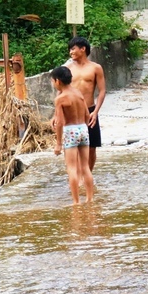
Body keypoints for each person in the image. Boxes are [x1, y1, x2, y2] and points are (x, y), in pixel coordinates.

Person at [51, 65, 95, 204]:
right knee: (85, 167)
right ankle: (90, 198)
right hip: (83, 128)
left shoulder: (61, 98)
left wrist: (58, 144)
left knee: (72, 168)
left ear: (57, 81)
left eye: (53, 81)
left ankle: (76, 202)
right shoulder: (78, 93)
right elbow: (87, 115)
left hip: (70, 130)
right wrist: (83, 127)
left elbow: (59, 122)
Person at [64, 36, 106, 172]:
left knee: (92, 147)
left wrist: (96, 112)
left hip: (90, 111)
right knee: (73, 146)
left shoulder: (95, 68)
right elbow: (62, 92)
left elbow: (102, 91)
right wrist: (57, 114)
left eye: (73, 49)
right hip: (72, 112)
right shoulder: (67, 69)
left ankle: (88, 175)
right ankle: (76, 176)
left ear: (83, 49)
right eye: (70, 49)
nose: (71, 52)